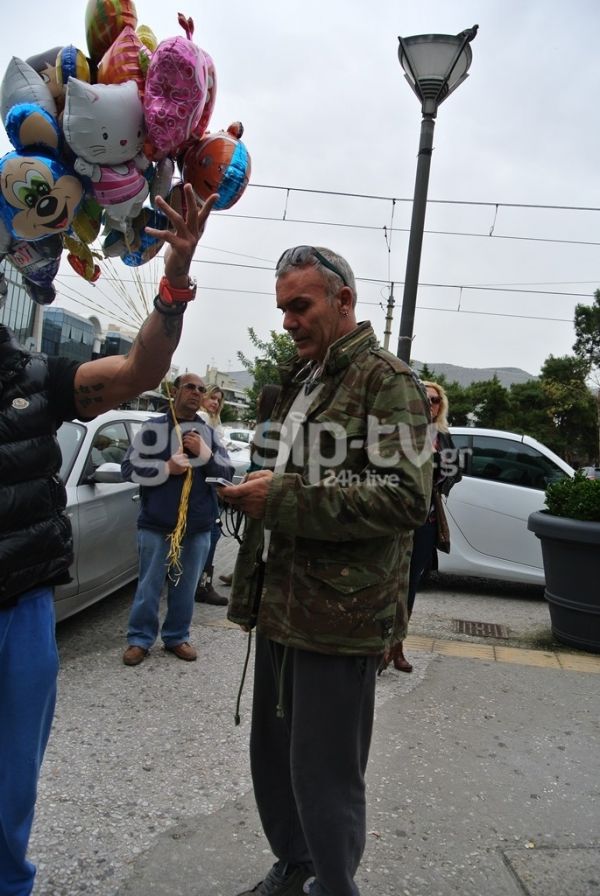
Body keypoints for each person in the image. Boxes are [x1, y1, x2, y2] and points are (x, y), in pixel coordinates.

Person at [0, 183, 218, 896]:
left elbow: (138, 372)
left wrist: (175, 280)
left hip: (22, 607)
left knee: (11, 788)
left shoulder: (35, 378)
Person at [219, 245, 432, 896]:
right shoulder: (306, 378)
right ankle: (295, 868)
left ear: (344, 302)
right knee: (275, 760)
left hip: (339, 621)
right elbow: (301, 473)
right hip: (284, 606)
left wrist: (278, 497)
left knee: (325, 773)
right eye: (282, 308)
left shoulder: (385, 380)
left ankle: (333, 885)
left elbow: (407, 498)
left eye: (300, 306)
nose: (287, 321)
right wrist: (263, 485)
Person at [121, 374, 234, 665]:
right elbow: (129, 469)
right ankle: (140, 639)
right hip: (157, 524)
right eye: (190, 387)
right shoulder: (153, 428)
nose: (196, 393)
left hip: (196, 526)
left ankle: (177, 637)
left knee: (185, 588)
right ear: (174, 392)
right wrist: (165, 467)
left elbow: (226, 474)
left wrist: (207, 455)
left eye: (201, 389)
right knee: (148, 586)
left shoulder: (207, 433)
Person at [382, 379, 462, 674]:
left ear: (441, 406)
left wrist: (437, 463)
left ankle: (397, 647)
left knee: (411, 585)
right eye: (424, 399)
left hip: (425, 521)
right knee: (389, 583)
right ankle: (378, 645)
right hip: (394, 521)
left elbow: (455, 473)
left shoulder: (443, 435)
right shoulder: (398, 431)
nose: (430, 404)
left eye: (435, 400)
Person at [195, 385, 229, 605]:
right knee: (212, 534)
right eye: (212, 398)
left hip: (210, 485)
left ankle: (199, 582)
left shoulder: (213, 422)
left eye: (219, 400)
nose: (215, 403)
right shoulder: (201, 418)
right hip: (203, 486)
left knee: (211, 534)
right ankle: (201, 584)